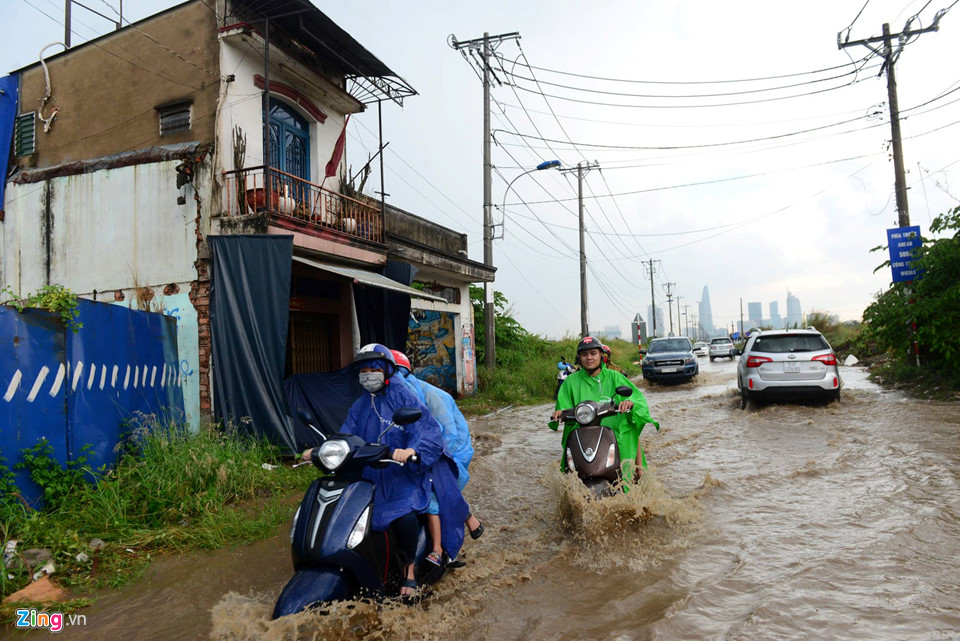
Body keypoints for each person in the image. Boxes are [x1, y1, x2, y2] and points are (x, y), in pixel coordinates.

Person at [300, 344, 468, 597]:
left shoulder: (404, 396)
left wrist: (412, 451)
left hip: (402, 474)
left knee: (403, 515)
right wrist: (324, 449)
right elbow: (348, 433)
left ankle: (409, 571)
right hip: (369, 473)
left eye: (374, 369)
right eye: (364, 370)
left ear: (386, 370)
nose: (368, 375)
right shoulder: (361, 403)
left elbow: (427, 430)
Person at [391, 351, 484, 567]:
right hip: (422, 450)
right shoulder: (397, 395)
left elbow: (448, 435)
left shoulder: (431, 396)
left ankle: (441, 550)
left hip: (450, 451)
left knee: (435, 494)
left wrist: (427, 457)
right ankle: (470, 521)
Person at [550, 336, 659, 477]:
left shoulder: (615, 377)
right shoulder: (570, 382)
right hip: (583, 433)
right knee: (570, 471)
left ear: (601, 355)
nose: (589, 357)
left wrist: (630, 403)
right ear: (579, 358)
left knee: (629, 432)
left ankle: (636, 474)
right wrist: (559, 413)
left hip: (614, 432)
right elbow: (563, 406)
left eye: (593, 353)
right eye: (584, 354)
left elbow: (638, 401)